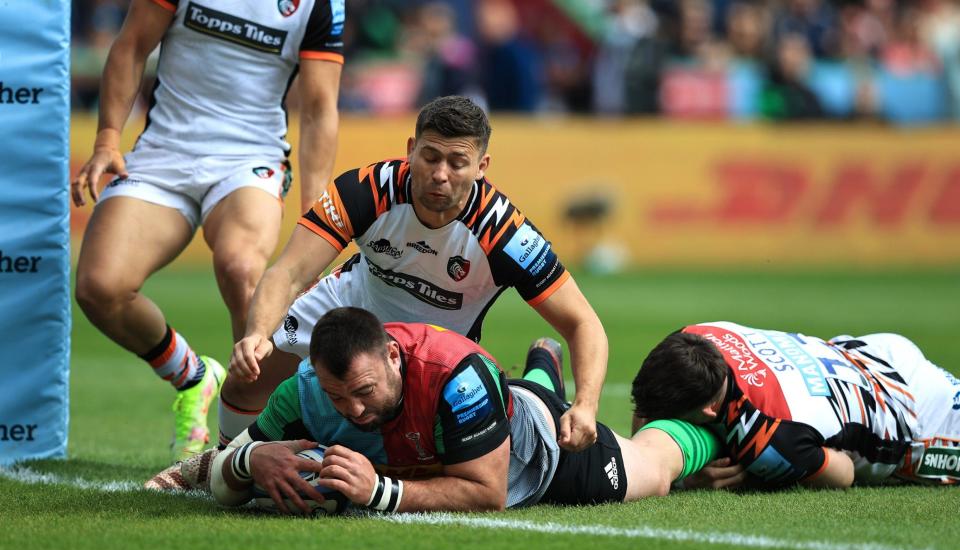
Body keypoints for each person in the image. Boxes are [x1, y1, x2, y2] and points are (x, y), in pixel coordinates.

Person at [218, 95, 607, 456]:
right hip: (350, 306)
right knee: (247, 380)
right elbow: (287, 272)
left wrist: (586, 405)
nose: (440, 174)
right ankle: (220, 462)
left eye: (457, 162)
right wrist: (255, 335)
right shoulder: (364, 191)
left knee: (417, 450)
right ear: (410, 150)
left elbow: (583, 322)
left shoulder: (505, 234)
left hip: (434, 347)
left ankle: (541, 374)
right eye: (430, 157)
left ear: (481, 167)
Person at [70, 0, 344, 460]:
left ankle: (254, 442)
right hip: (164, 152)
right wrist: (107, 140)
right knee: (100, 287)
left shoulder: (318, 4)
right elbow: (132, 45)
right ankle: (194, 377)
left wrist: (313, 219)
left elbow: (319, 108)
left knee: (241, 268)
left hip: (250, 157)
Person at [207, 307, 720, 513]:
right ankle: (540, 370)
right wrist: (248, 461)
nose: (354, 409)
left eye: (363, 390)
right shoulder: (304, 392)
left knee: (654, 473)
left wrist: (378, 492)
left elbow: (488, 492)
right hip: (481, 417)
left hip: (534, 453)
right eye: (338, 397)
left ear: (392, 354)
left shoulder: (457, 374)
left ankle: (726, 435)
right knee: (523, 393)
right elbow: (223, 469)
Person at [631, 321, 960, 489]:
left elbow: (843, 473)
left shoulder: (765, 436)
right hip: (867, 352)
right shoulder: (696, 336)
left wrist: (760, 474)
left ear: (709, 411)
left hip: (919, 417)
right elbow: (647, 404)